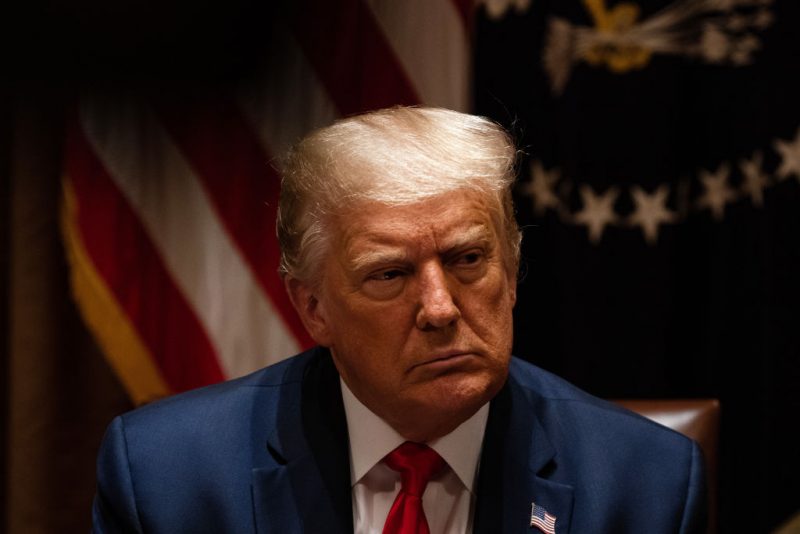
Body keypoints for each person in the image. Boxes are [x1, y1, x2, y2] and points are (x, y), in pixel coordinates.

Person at [92, 107, 707, 533]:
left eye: (468, 260)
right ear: (313, 307)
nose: (440, 309)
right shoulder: (168, 479)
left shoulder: (644, 486)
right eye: (390, 274)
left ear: (513, 274)